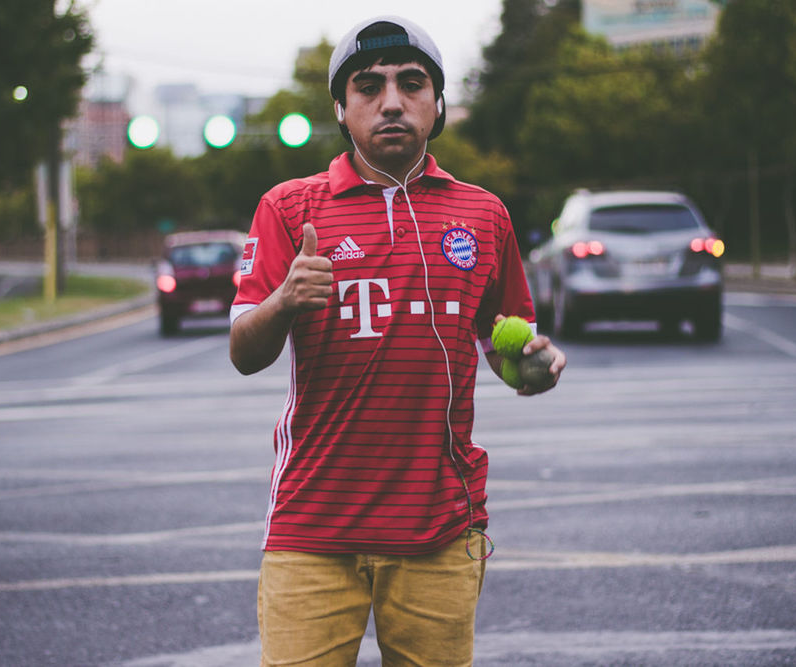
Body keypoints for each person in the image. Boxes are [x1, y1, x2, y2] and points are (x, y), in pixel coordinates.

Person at [229, 15, 566, 666]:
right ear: (341, 108)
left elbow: (508, 354)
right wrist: (284, 299)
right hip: (312, 525)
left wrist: (537, 367)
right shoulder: (289, 208)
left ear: (436, 105)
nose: (390, 101)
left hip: (440, 526)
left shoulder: (483, 214)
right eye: (367, 86)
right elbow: (245, 351)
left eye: (412, 84)